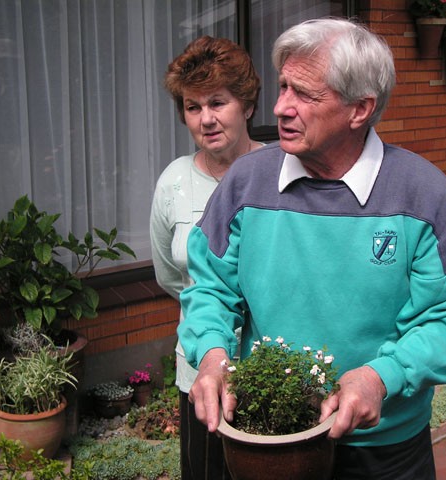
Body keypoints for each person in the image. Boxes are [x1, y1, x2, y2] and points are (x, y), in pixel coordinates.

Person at [178, 18, 446, 480]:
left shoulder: (423, 193)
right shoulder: (245, 182)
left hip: (384, 450)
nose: (281, 107)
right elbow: (209, 289)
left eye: (304, 94)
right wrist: (211, 357)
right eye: (283, 86)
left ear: (360, 109)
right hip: (272, 443)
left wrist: (382, 377)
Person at [150, 35, 261, 480]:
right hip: (199, 374)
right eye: (193, 107)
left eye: (218, 102)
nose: (206, 118)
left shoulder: (279, 173)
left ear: (246, 105)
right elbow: (171, 277)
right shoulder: (173, 183)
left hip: (270, 367)